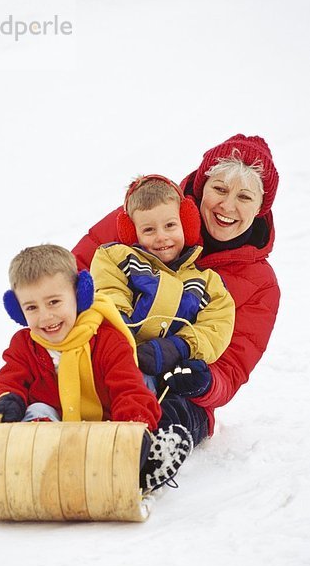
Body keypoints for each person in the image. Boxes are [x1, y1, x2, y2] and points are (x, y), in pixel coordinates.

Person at [72, 134, 280, 441]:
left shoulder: (260, 285)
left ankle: (145, 454)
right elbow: (72, 275)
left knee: (173, 414)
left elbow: (232, 367)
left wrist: (203, 380)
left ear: (260, 207)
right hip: (106, 358)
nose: (228, 206)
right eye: (219, 189)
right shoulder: (150, 213)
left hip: (177, 392)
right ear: (201, 187)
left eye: (245, 197)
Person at [0, 244, 193, 493]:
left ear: (79, 294)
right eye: (31, 307)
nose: (45, 317)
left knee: (143, 411)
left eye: (54, 302)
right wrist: (5, 401)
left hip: (103, 437)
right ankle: (23, 461)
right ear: (18, 310)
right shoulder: (25, 346)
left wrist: (132, 431)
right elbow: (6, 381)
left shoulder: (107, 340)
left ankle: (134, 468)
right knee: (37, 408)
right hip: (52, 439)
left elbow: (129, 390)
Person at [89, 174, 235, 450]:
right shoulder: (115, 257)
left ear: (186, 224)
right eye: (149, 230)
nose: (162, 238)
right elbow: (108, 293)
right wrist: (121, 332)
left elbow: (216, 328)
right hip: (119, 359)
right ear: (133, 233)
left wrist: (178, 347)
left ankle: (146, 450)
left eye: (170, 225)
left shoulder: (207, 283)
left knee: (164, 408)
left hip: (168, 374)